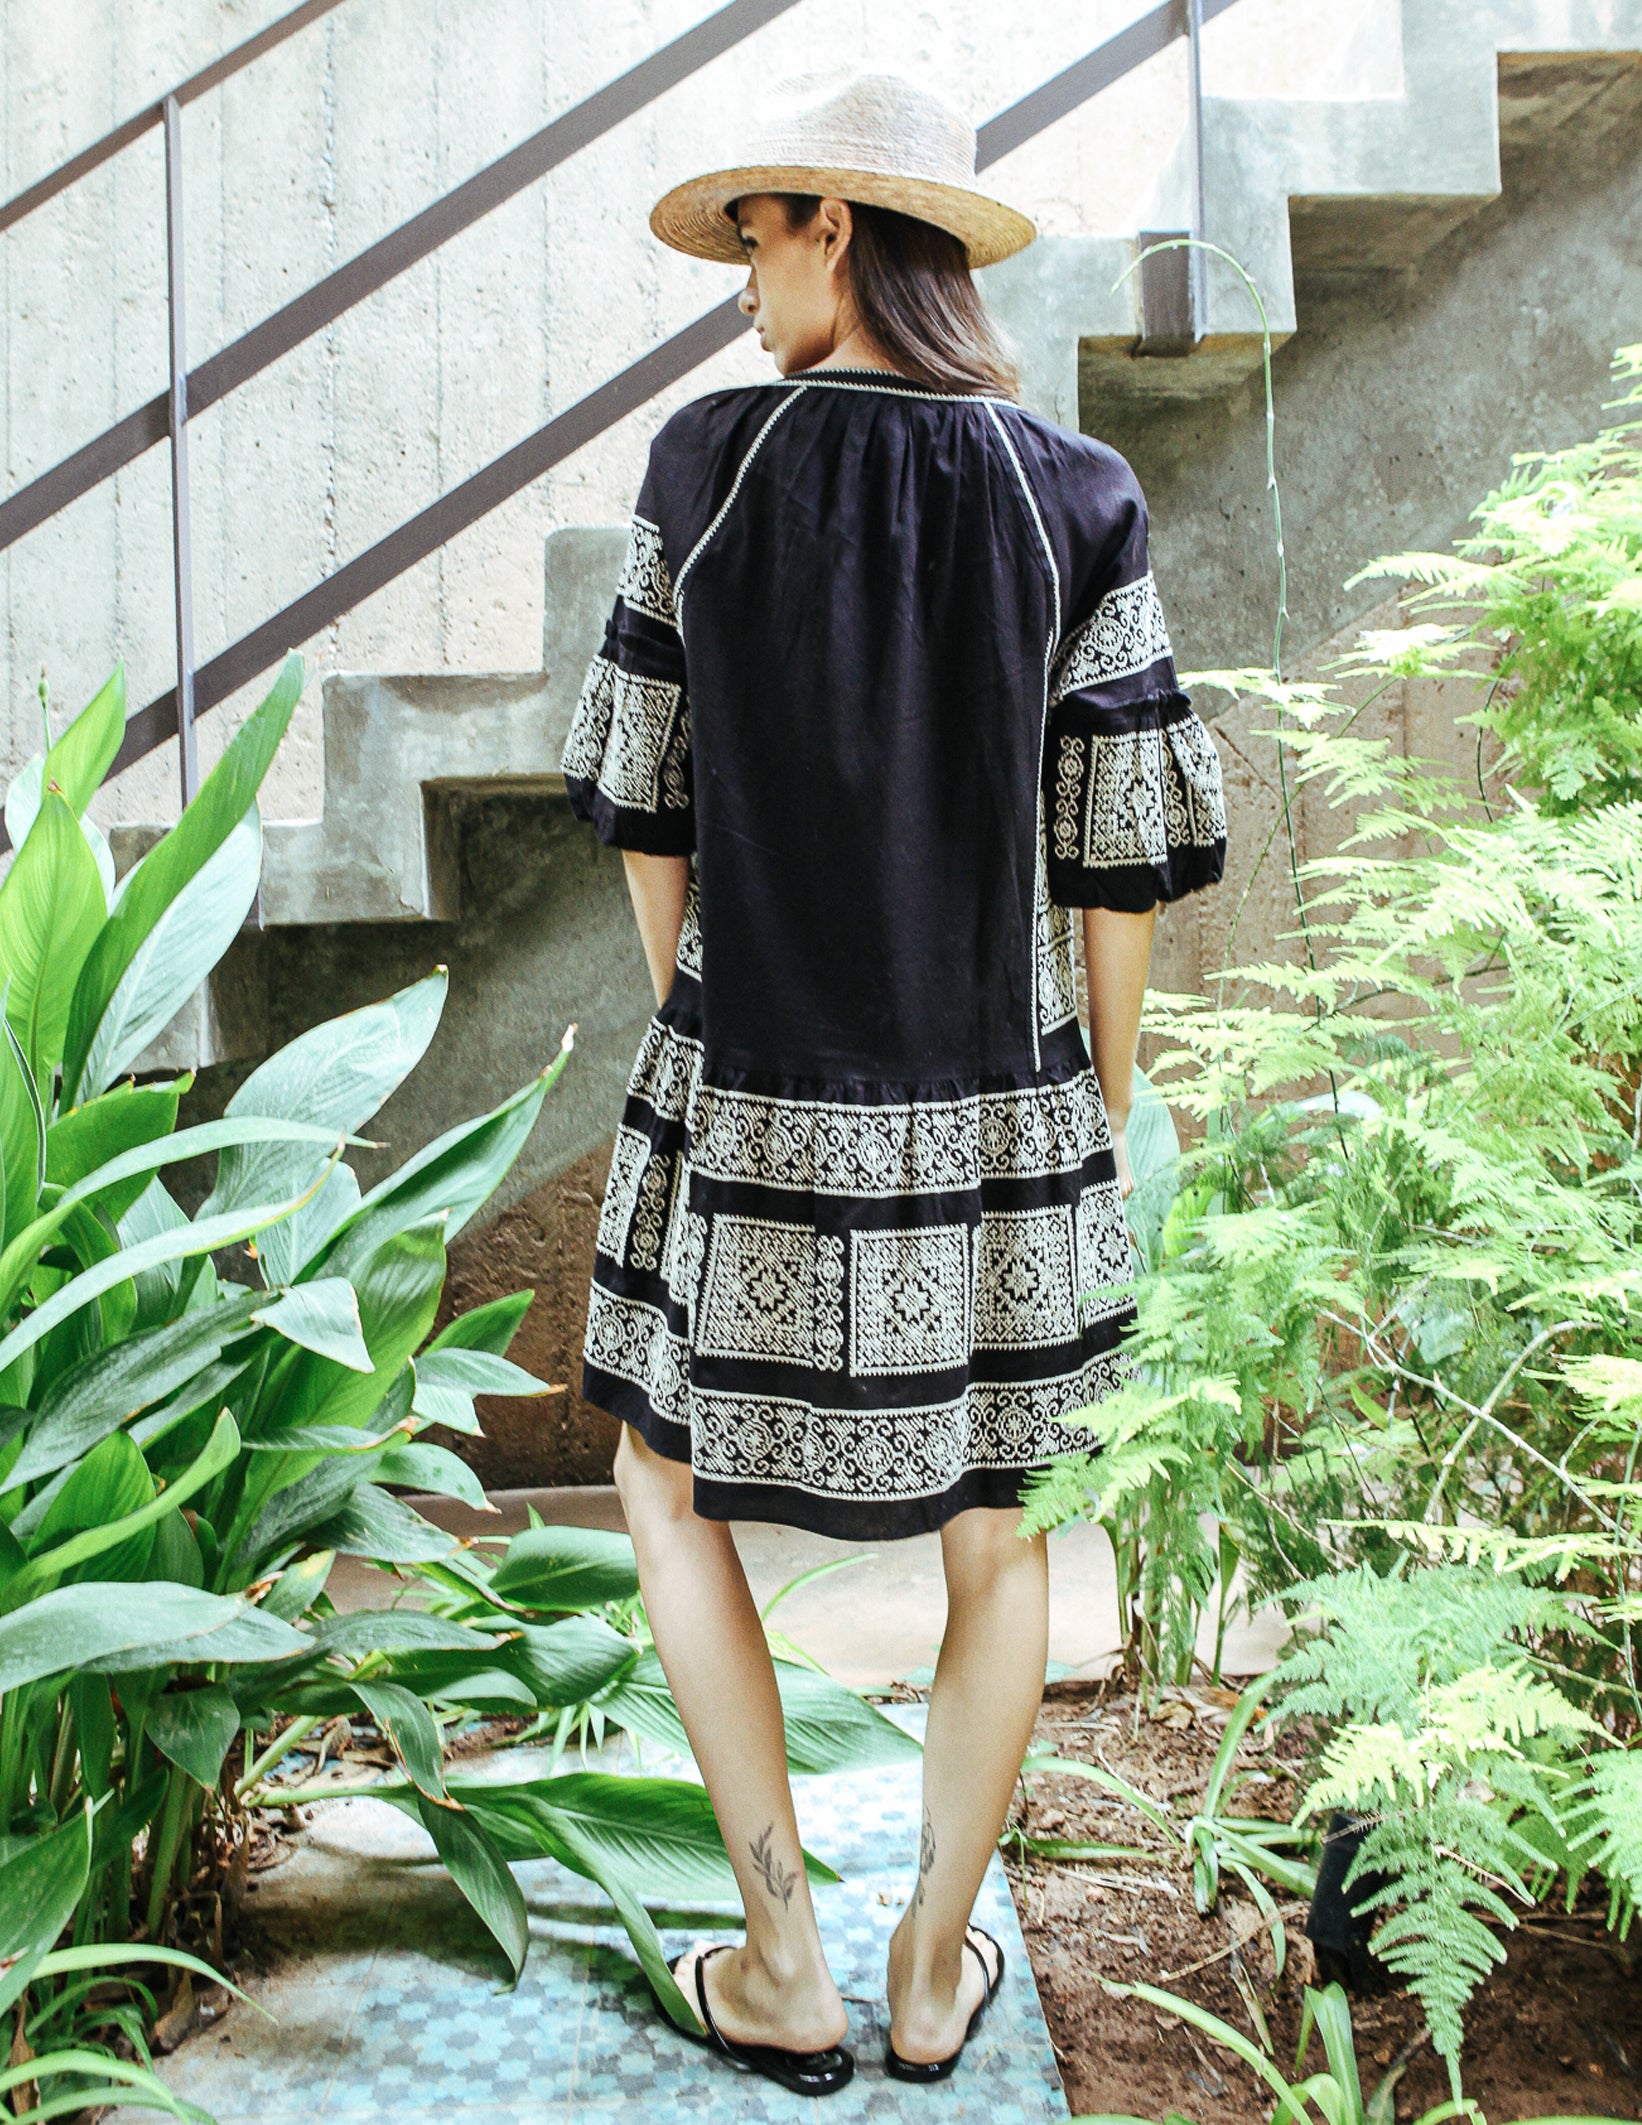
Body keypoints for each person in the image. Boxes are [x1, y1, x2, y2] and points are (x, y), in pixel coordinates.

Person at [562, 73, 1225, 2097]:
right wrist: (1087, 1105)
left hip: (748, 1085)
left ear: (833, 228)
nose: (743, 286)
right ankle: (935, 1964)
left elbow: (643, 805)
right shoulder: (1071, 490)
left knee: (661, 1487)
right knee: (999, 1530)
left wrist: (710, 1029)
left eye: (754, 239)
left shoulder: (706, 465)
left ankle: (784, 1955)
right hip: (1001, 1098)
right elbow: (1115, 852)